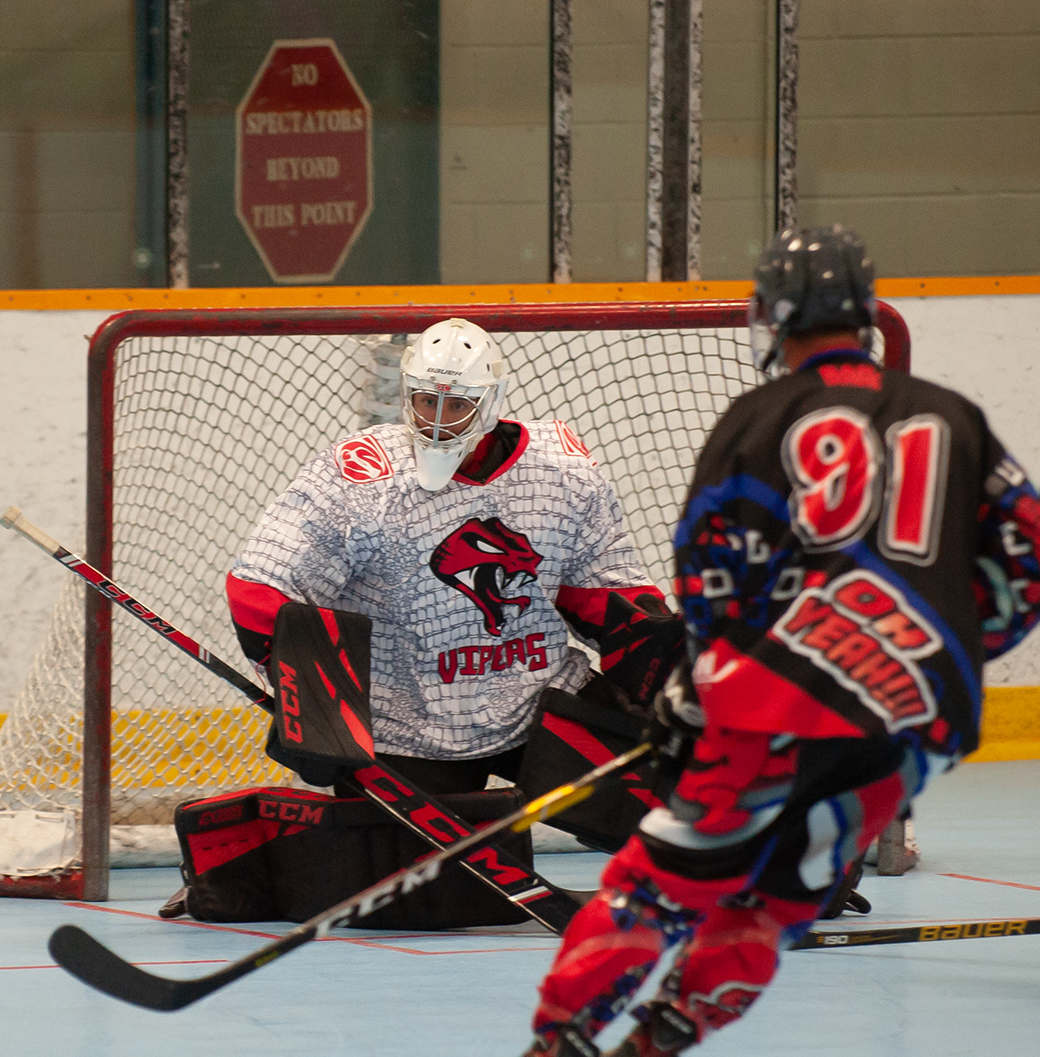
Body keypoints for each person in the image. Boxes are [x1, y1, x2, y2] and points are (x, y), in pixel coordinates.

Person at [465, 225, 1040, 1057]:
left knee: (659, 885)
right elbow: (1035, 555)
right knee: (780, 901)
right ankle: (663, 1040)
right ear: (861, 314)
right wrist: (940, 645)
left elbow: (711, 577)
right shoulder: (952, 414)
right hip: (913, 719)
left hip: (777, 710)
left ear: (775, 317)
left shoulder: (756, 420)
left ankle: (554, 1052)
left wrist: (698, 690)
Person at [205, 318, 684, 922]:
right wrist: (315, 703)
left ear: (491, 401)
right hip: (406, 722)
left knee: (678, 809)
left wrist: (668, 673)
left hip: (536, 699)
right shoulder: (361, 476)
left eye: (456, 404)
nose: (436, 418)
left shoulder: (561, 470)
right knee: (421, 901)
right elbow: (259, 586)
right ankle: (244, 868)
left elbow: (606, 593)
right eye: (425, 400)